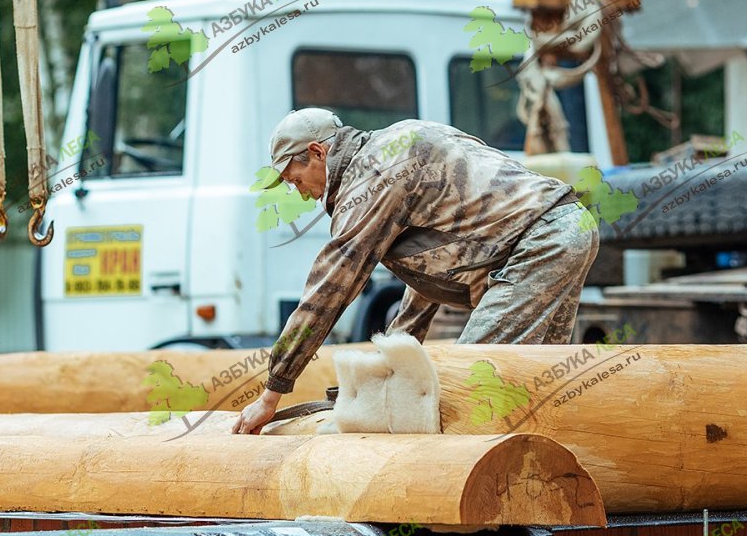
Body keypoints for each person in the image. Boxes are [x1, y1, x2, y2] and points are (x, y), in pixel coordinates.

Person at [231, 108, 599, 435]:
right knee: (532, 383)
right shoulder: (395, 144)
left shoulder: (369, 180)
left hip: (541, 244)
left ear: (317, 152)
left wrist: (272, 392)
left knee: (468, 388)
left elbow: (328, 291)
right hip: (569, 226)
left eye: (296, 180)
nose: (300, 193)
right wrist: (393, 360)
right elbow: (431, 270)